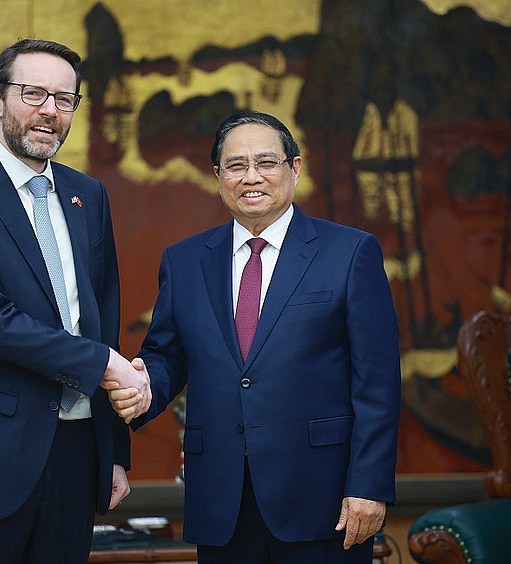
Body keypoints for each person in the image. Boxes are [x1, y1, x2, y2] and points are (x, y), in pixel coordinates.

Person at [110, 111, 401, 563]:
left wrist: (368, 486)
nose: (252, 177)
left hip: (322, 497)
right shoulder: (185, 261)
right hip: (222, 498)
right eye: (236, 165)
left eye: (266, 163)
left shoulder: (350, 252)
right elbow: (167, 356)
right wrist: (142, 388)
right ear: (217, 175)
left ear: (295, 169)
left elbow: (377, 382)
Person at [0, 38, 150, 563]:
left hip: (75, 452)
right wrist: (105, 364)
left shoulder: (87, 194)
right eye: (34, 94)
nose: (50, 111)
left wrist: (111, 452)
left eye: (65, 100)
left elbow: (101, 319)